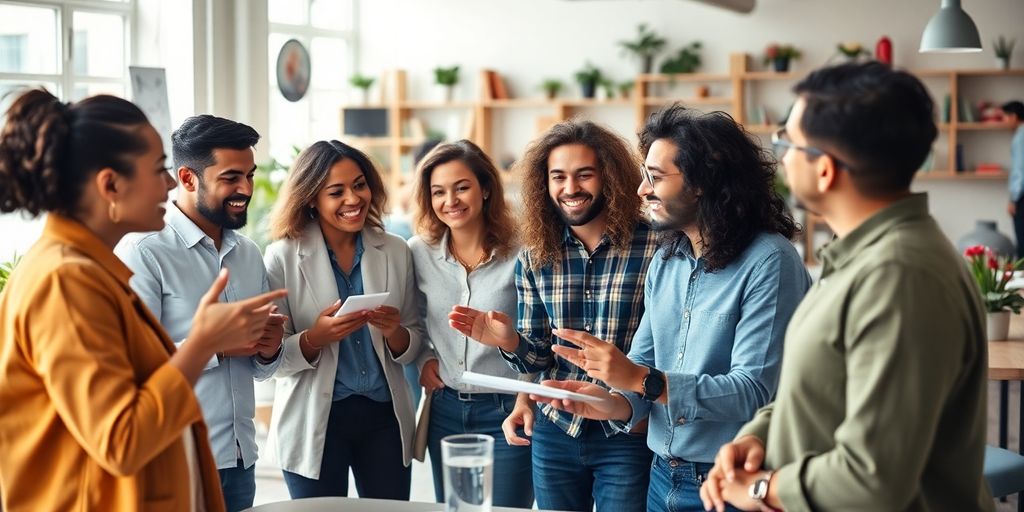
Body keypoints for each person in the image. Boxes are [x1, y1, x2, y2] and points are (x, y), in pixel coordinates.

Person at [700, 62, 995, 511]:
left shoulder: (899, 276)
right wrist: (759, 435)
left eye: (788, 142)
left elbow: (871, 478)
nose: (781, 155)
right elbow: (822, 391)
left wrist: (763, 488)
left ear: (825, 170)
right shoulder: (858, 256)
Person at [0, 88, 285, 511]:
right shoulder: (65, 280)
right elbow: (122, 440)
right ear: (111, 185)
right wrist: (205, 344)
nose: (170, 183)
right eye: (158, 170)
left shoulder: (90, 270)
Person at [531, 104, 811, 511]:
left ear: (702, 183)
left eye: (655, 177)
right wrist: (609, 401)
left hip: (729, 482)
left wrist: (642, 379)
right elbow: (644, 360)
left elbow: (754, 391)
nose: (642, 190)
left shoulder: (770, 261)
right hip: (662, 475)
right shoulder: (666, 258)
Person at [450, 120, 658, 512]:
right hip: (556, 431)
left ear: (610, 178)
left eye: (584, 175)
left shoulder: (655, 247)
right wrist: (509, 341)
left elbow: (661, 348)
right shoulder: (535, 255)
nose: (570, 188)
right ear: (543, 184)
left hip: (626, 432)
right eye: (558, 177)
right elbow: (538, 357)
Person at [116, 115, 285, 512]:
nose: (245, 189)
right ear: (188, 179)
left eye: (249, 175)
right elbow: (136, 367)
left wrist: (267, 348)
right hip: (177, 458)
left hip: (241, 459)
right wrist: (219, 347)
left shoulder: (248, 254)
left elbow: (259, 369)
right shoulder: (144, 253)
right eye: (231, 177)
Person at [263, 140, 424, 500]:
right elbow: (270, 362)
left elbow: (414, 341)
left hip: (384, 419)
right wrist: (314, 338)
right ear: (310, 199)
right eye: (336, 192)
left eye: (360, 184)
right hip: (313, 419)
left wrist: (394, 331)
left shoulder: (396, 250)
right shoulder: (282, 257)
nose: (353, 199)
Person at [408, 139, 533, 507]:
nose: (451, 200)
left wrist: (526, 396)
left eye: (462, 187)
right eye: (438, 192)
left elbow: (538, 332)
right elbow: (411, 317)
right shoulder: (418, 251)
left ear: (486, 188)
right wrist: (423, 359)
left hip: (509, 407)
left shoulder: (523, 250)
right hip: (445, 409)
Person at [1003, 100, 1024, 258]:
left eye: (1005, 117)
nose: (1004, 121)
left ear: (1014, 116)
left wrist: (1013, 199)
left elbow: (1020, 170)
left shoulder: (1020, 137)